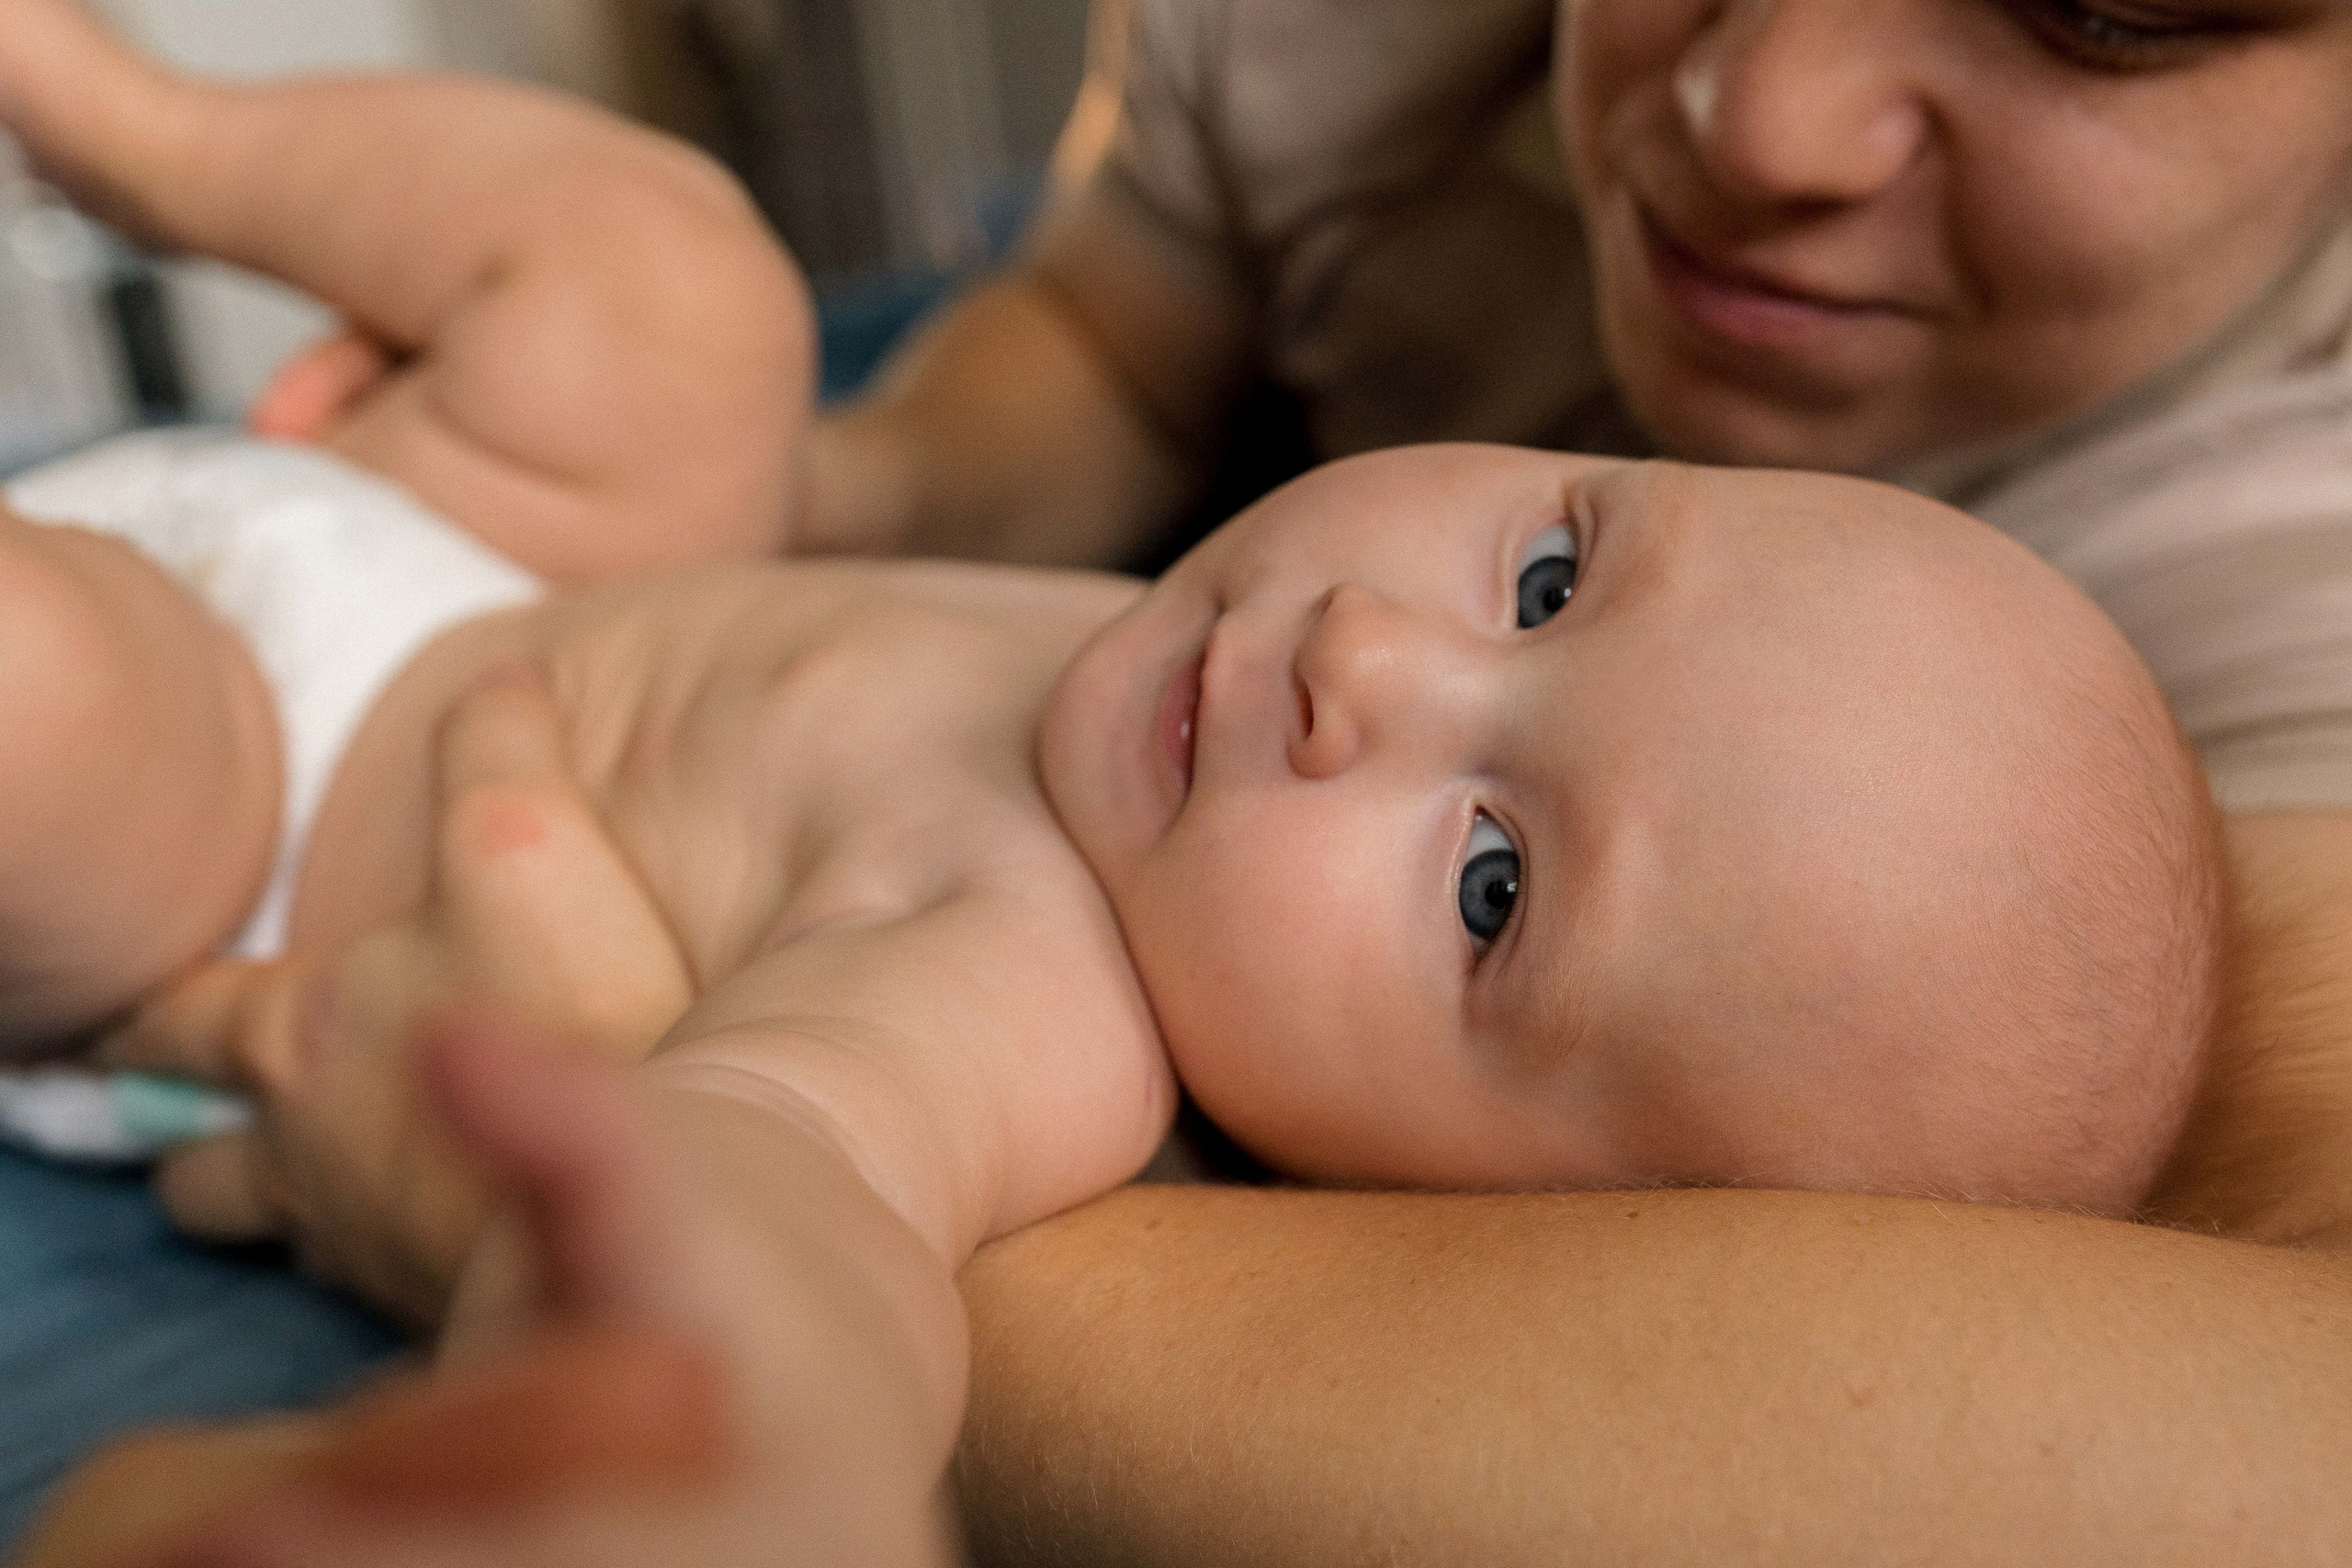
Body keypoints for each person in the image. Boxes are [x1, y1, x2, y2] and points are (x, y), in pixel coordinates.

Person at [0, 6, 2239, 1561]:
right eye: (1550, 571)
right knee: (684, 295)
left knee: (51, 703)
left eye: (1483, 890)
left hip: (272, 798)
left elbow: (781, 1175)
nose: (1366, 658)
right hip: (509, 561)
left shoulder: (1030, 993)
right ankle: (120, 115)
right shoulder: (1197, 666)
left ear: (1492, 1224)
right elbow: (1069, 339)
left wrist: (726, 1442)